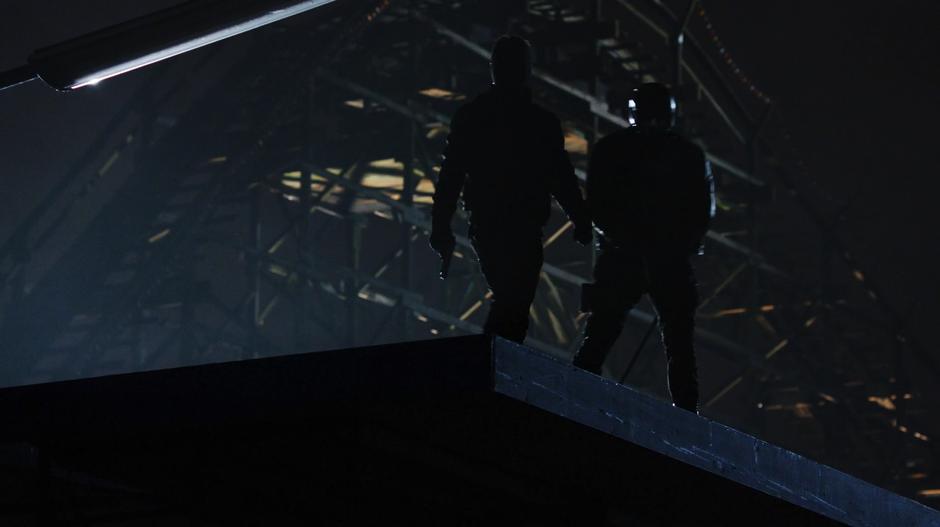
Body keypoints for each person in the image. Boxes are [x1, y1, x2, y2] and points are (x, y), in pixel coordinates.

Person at [429, 35, 592, 344]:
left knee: (511, 300)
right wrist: (580, 218)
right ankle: (490, 367)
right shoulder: (540, 122)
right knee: (514, 301)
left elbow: (451, 176)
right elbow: (560, 176)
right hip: (521, 224)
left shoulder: (474, 116)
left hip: (491, 221)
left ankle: (490, 366)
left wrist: (441, 227)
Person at [572, 82, 715, 412]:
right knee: (678, 343)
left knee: (603, 332)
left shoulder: (612, 149)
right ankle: (687, 414)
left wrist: (627, 240)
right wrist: (676, 245)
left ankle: (576, 395)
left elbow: (596, 204)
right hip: (665, 258)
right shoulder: (689, 156)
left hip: (625, 255)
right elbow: (703, 211)